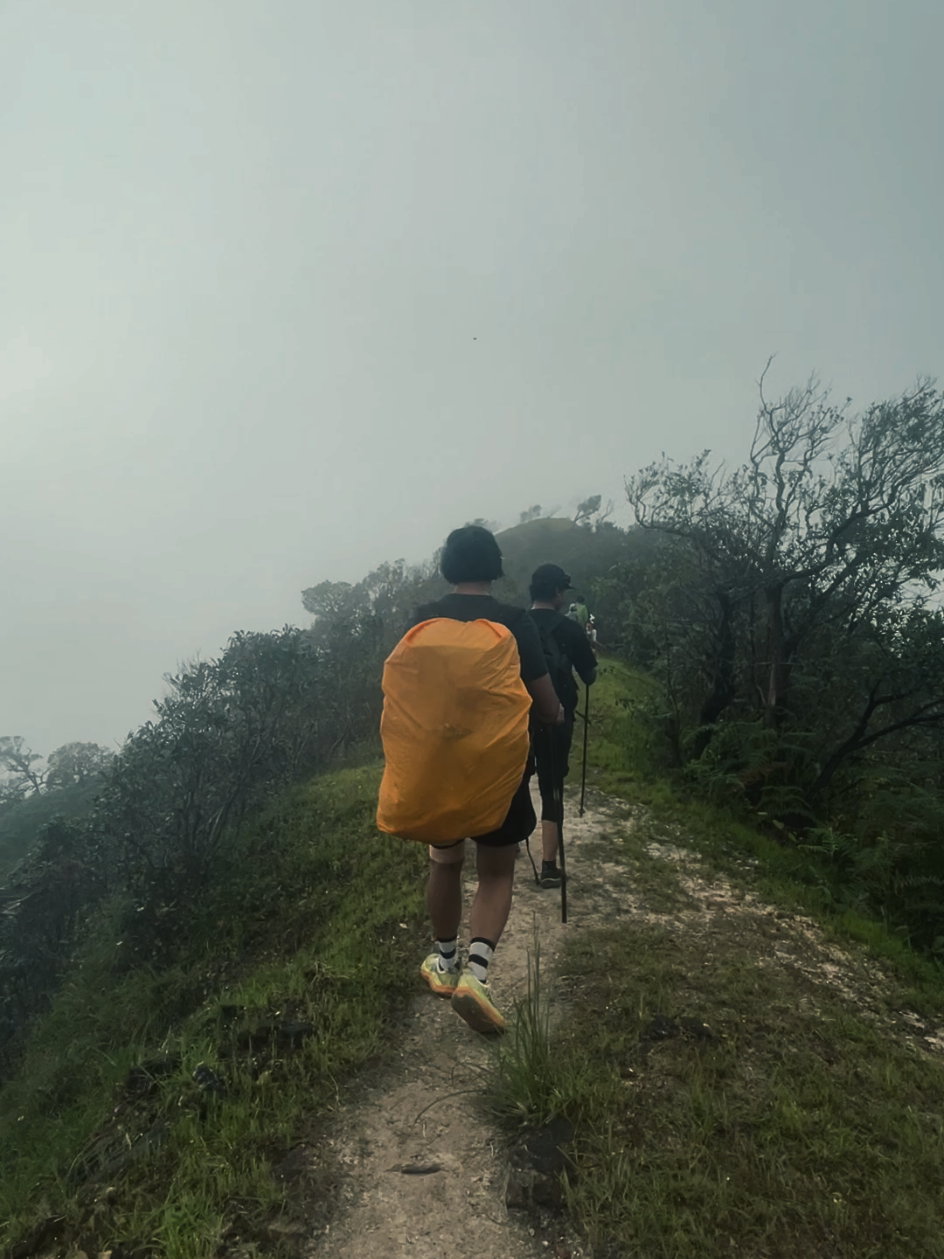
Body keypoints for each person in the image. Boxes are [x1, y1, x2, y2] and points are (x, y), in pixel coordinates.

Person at [407, 526, 563, 1034]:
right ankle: (476, 974)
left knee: (445, 861)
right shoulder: (516, 622)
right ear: (495, 567)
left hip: (438, 764)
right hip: (498, 768)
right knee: (496, 871)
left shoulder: (421, 619)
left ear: (446, 566)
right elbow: (544, 703)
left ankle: (444, 961)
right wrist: (556, 716)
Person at [528, 564, 598, 888]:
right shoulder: (571, 630)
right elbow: (589, 676)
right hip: (557, 718)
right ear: (557, 592)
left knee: (514, 779)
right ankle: (548, 866)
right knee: (551, 786)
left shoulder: (515, 626)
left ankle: (509, 844)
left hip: (516, 719)